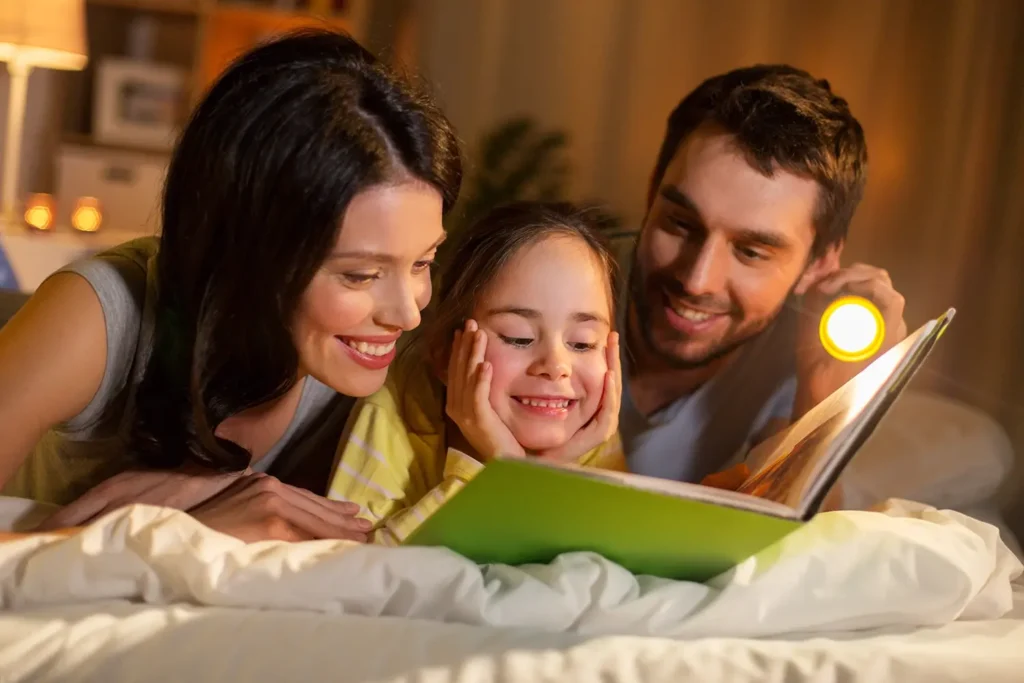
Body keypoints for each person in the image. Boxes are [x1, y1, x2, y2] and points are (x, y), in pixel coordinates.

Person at [0, 29, 462, 542]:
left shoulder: (381, 375)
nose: (407, 314)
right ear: (253, 251)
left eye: (424, 262)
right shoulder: (96, 316)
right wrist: (153, 534)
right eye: (361, 275)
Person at [619, 65, 907, 489]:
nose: (698, 280)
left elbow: (807, 539)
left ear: (820, 261)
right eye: (680, 224)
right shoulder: (550, 281)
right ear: (651, 194)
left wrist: (823, 402)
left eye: (751, 252)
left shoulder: (806, 347)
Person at [328, 201, 624, 544]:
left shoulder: (592, 430)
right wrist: (501, 473)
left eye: (583, 344)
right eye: (519, 337)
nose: (556, 366)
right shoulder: (394, 408)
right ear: (444, 354)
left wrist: (543, 475)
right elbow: (358, 573)